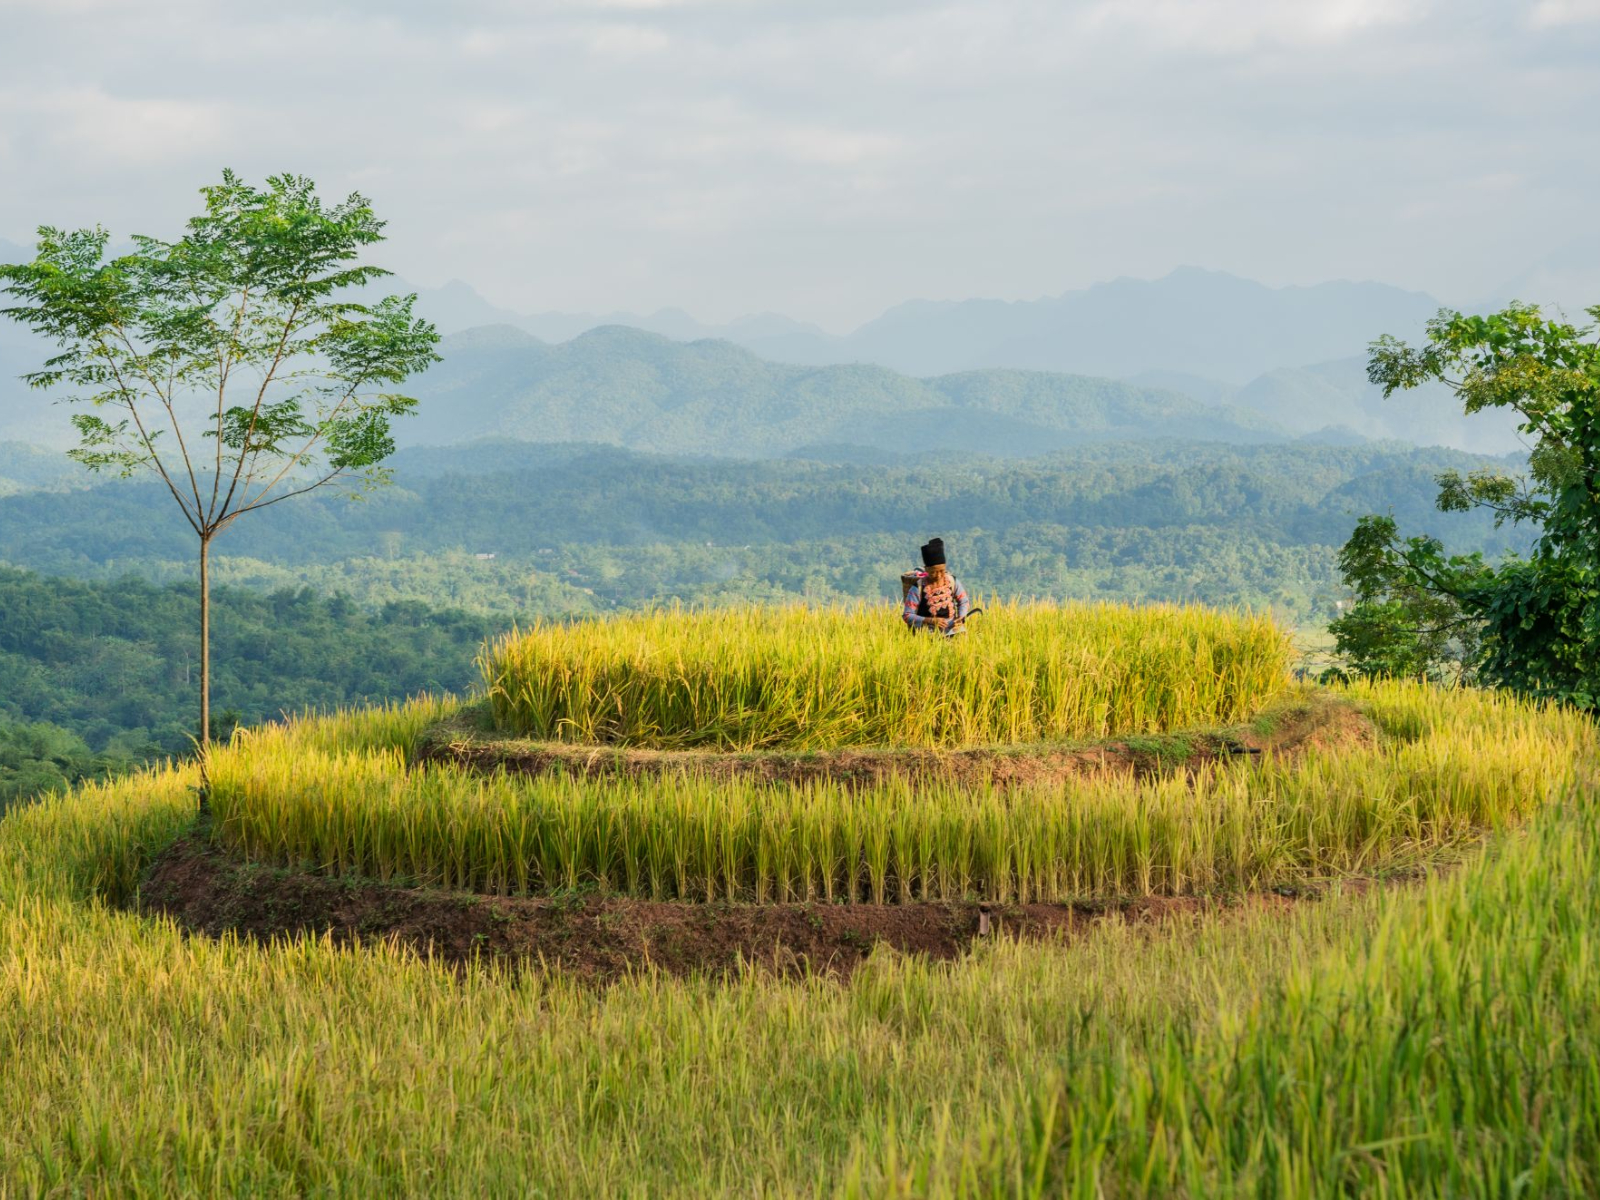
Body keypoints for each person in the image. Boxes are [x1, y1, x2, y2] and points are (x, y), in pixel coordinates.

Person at [902, 537, 971, 636]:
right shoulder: (917, 588)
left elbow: (963, 601)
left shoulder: (952, 581)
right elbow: (907, 615)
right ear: (926, 570)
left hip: (953, 629)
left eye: (942, 571)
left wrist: (961, 617)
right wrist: (930, 620)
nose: (939, 575)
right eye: (934, 572)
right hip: (927, 632)